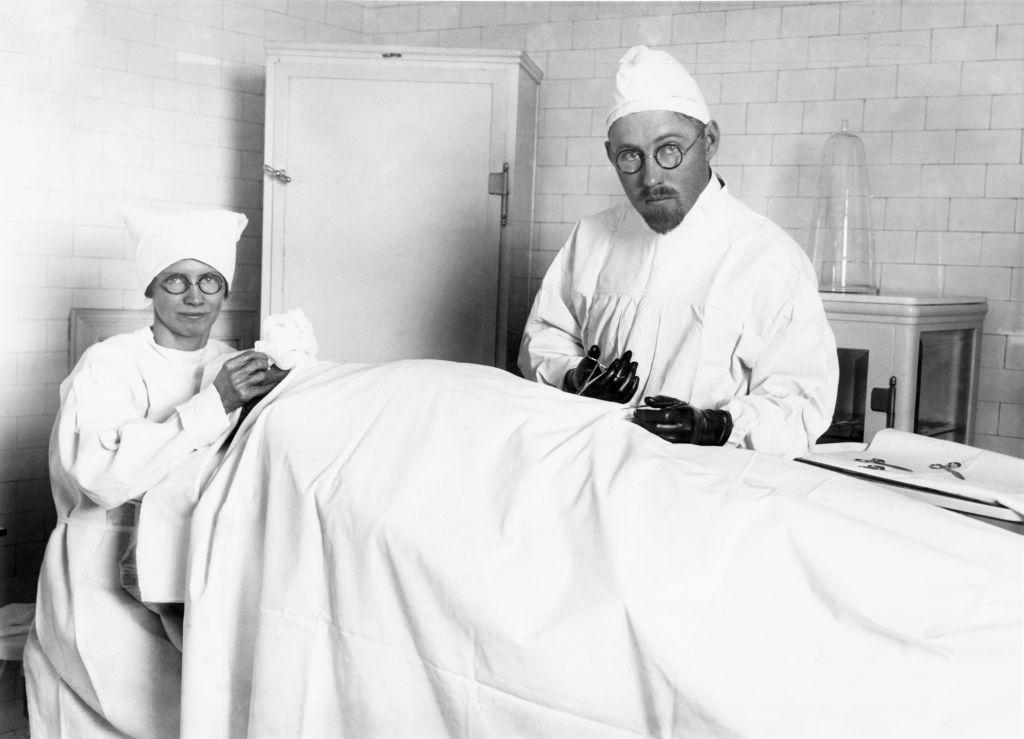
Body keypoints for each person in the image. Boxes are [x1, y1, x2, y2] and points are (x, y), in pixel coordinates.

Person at [23, 208, 287, 738]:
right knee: (112, 711)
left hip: (189, 567)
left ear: (225, 290)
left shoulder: (232, 361)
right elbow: (100, 476)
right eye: (177, 280)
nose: (195, 296)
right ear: (152, 289)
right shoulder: (109, 363)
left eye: (210, 280)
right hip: (100, 572)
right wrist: (217, 403)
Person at [519, 45, 838, 458]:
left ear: (709, 140)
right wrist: (574, 376)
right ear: (610, 156)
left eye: (669, 149)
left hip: (706, 486)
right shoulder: (592, 237)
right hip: (592, 463)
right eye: (630, 156)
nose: (651, 177)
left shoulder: (768, 257)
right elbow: (544, 338)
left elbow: (800, 404)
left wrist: (715, 426)